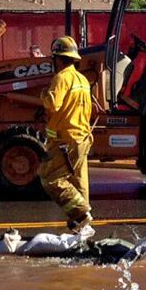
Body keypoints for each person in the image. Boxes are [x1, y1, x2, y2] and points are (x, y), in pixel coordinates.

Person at [38, 35, 94, 231]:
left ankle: (81, 212)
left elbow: (53, 104)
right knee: (78, 180)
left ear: (58, 59)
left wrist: (44, 95)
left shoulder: (61, 78)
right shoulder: (83, 79)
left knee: (50, 178)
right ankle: (81, 223)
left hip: (65, 140)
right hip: (82, 137)